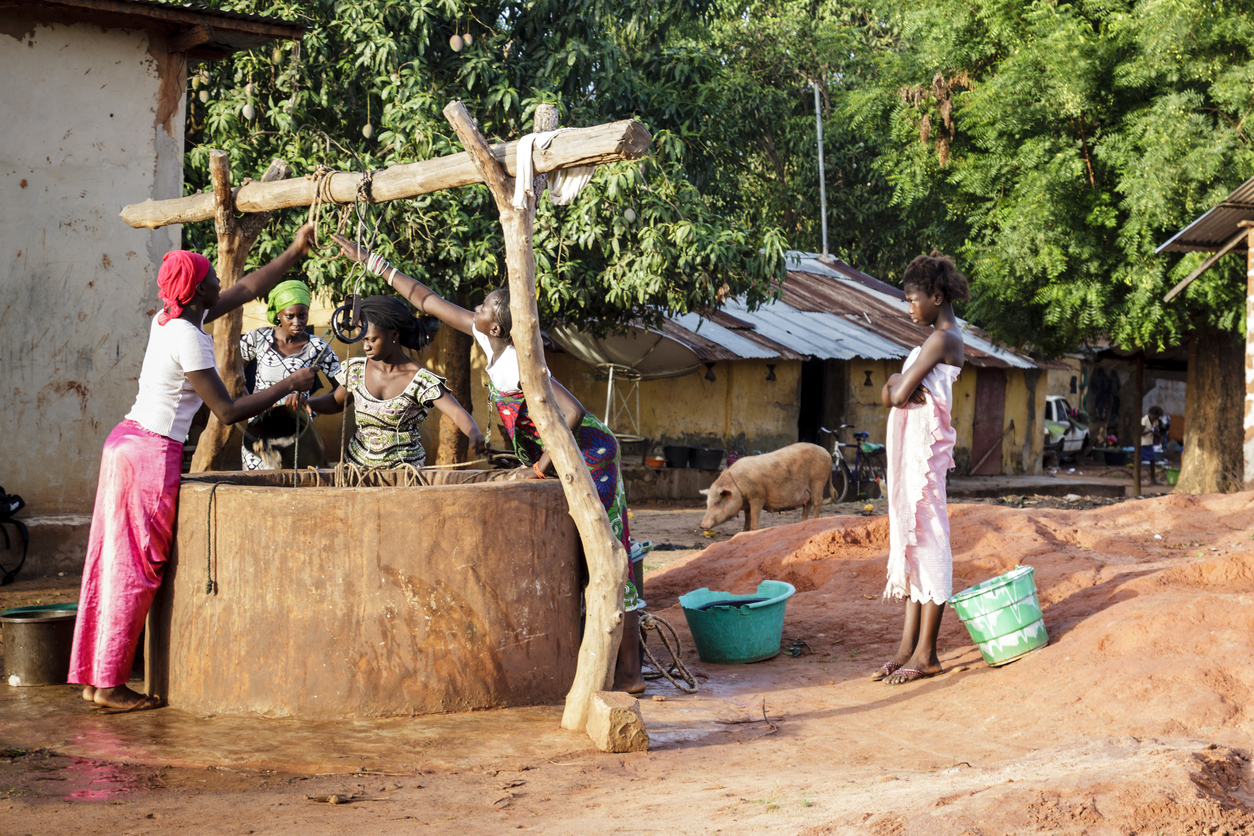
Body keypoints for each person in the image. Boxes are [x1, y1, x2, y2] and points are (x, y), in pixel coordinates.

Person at [329, 234, 646, 694]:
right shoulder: (489, 337)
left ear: (496, 327)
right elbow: (428, 299)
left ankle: (632, 674)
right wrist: (373, 263)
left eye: (480, 308)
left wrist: (536, 470)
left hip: (590, 456)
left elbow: (572, 414)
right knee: (581, 558)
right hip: (558, 457)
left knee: (608, 556)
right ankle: (602, 661)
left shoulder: (521, 362)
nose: (471, 312)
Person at [70, 225, 321, 712]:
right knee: (138, 568)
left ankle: (95, 677)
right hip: (149, 453)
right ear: (199, 291)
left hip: (124, 441)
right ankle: (110, 686)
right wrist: (290, 382)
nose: (218, 284)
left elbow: (249, 288)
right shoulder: (191, 340)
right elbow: (226, 412)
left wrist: (295, 248)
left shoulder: (166, 318)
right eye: (211, 279)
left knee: (111, 560)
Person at [874, 250, 968, 686]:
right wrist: (896, 386)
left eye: (914, 300)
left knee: (929, 543)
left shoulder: (942, 340)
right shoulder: (933, 341)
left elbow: (894, 393)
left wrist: (897, 385)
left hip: (924, 461)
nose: (910, 307)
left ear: (936, 295)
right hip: (912, 458)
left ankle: (927, 653)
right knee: (912, 541)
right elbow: (889, 390)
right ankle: (907, 646)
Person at [307, 295, 486, 467]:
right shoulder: (356, 370)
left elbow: (456, 412)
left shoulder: (419, 380)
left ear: (393, 335)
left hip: (403, 476)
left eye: (372, 340)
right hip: (356, 472)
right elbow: (336, 402)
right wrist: (306, 403)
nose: (365, 347)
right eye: (363, 340)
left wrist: (475, 433)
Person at [239, 279, 342, 470]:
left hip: (298, 435)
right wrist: (249, 404)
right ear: (278, 314)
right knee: (258, 492)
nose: (297, 322)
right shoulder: (257, 339)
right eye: (290, 316)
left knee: (298, 490)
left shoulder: (317, 347)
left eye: (303, 316)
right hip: (261, 437)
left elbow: (343, 390)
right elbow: (232, 375)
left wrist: (310, 404)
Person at [1140, 405, 1170, 485]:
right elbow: (1140, 433)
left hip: (1149, 443)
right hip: (1142, 443)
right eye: (1156, 416)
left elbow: (1157, 432)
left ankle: (1153, 479)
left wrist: (1156, 432)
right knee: (1140, 460)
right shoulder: (1144, 420)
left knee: (1152, 460)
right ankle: (1138, 479)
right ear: (1152, 414)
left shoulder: (1155, 421)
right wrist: (1149, 431)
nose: (1156, 418)